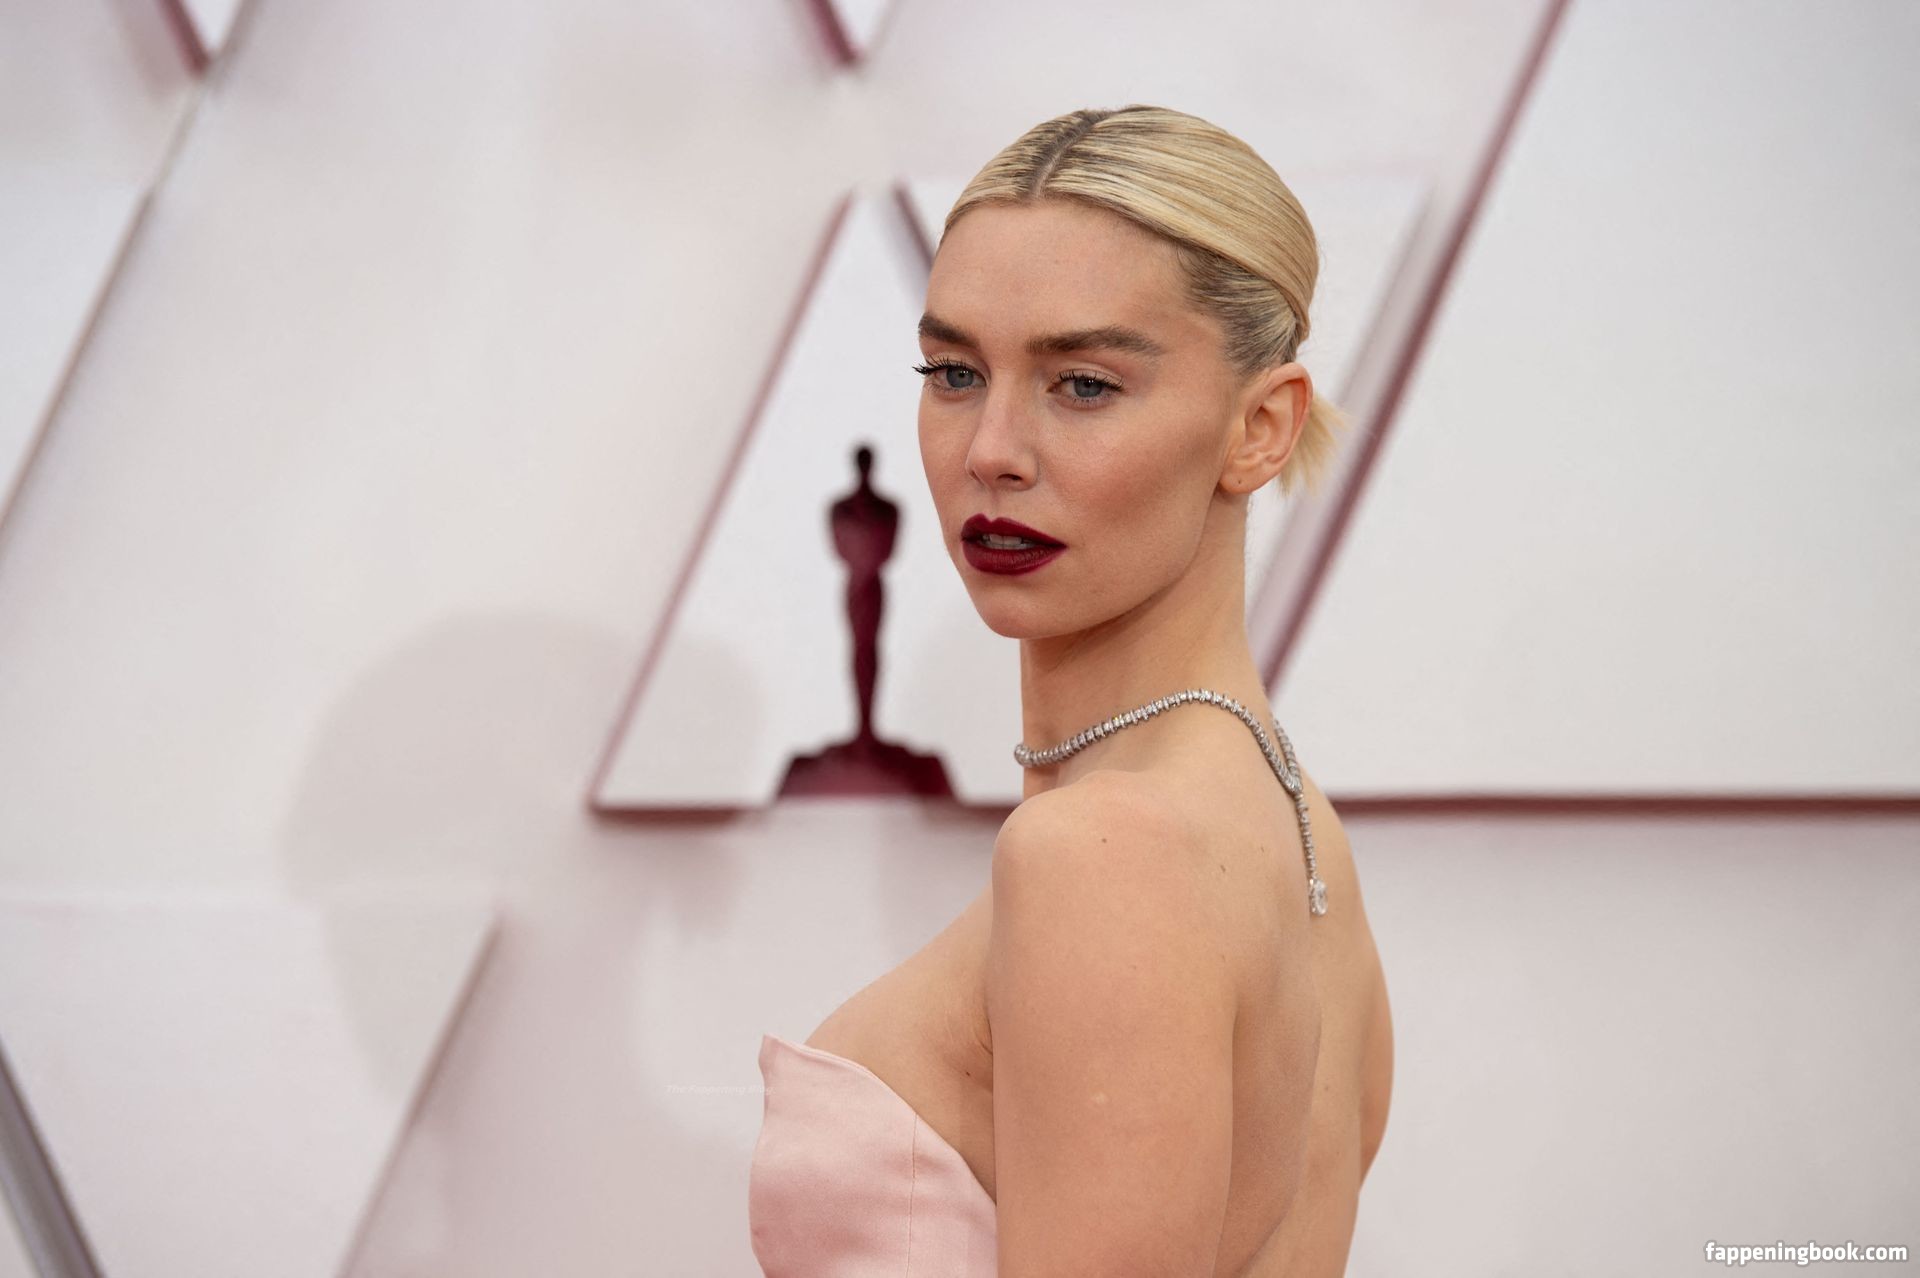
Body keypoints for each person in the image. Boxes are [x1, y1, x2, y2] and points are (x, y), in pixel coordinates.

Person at [749, 103, 1393, 1277]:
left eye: (1083, 385)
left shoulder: (1103, 857)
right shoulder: (1297, 829)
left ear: (1260, 428)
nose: (991, 449)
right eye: (954, 372)